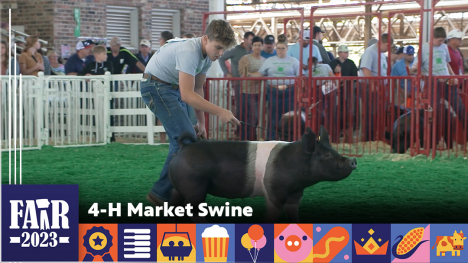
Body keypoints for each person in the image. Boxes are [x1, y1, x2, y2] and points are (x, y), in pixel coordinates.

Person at [141, 19, 240, 205]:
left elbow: (197, 89)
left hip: (170, 88)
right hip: (156, 86)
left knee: (188, 138)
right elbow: (187, 95)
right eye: (218, 47)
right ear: (205, 39)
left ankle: (171, 193)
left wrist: (201, 123)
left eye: (223, 50)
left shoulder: (206, 56)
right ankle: (160, 194)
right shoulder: (190, 51)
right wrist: (220, 112)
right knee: (184, 139)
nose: (220, 54)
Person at [411, 27, 467, 137]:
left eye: (443, 40)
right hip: (433, 83)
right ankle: (434, 138)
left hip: (447, 82)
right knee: (434, 111)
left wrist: (453, 76)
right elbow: (416, 66)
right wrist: (414, 69)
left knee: (460, 108)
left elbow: (446, 64)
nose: (441, 43)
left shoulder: (445, 47)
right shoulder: (424, 49)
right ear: (432, 37)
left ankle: (466, 135)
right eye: (439, 40)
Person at [249, 34, 301, 140]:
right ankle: (271, 140)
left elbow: (300, 76)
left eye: (283, 48)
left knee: (290, 117)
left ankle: (289, 140)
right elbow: (260, 74)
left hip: (290, 91)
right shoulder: (269, 61)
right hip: (273, 91)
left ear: (287, 49)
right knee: (273, 118)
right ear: (275, 49)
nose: (280, 50)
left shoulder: (294, 61)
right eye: (278, 48)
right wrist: (247, 74)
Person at [359, 33, 394, 141]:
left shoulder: (382, 54)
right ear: (381, 43)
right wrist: (373, 84)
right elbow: (365, 69)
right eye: (387, 46)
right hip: (369, 86)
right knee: (371, 112)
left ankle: (377, 136)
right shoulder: (370, 51)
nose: (388, 48)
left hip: (379, 87)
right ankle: (369, 138)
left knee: (379, 112)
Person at [237, 36, 266, 140]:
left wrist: (253, 75)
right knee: (248, 117)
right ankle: (245, 138)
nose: (257, 47)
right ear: (252, 46)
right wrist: (258, 75)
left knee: (256, 118)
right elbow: (244, 74)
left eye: (259, 45)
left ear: (262, 47)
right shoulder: (246, 58)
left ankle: (252, 139)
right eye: (255, 45)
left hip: (260, 93)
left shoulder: (264, 60)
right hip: (247, 92)